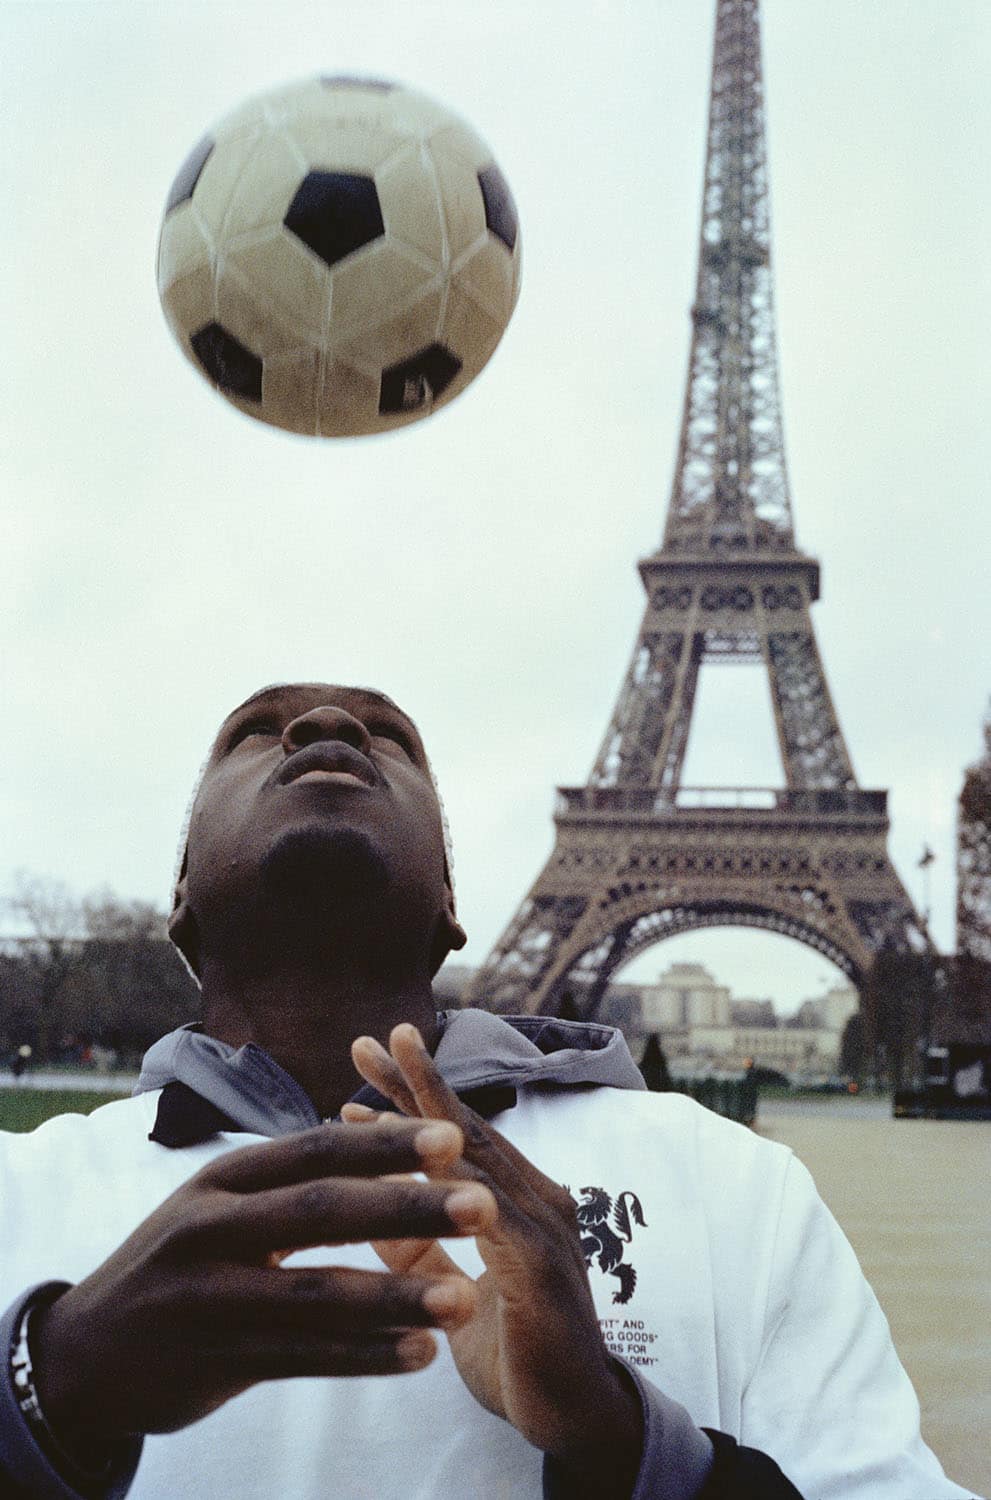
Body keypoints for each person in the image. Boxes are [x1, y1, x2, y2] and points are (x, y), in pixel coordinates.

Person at [0, 683, 976, 1500]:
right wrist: (42, 1390)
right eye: (256, 730)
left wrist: (626, 1439)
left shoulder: (736, 1184)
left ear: (450, 902)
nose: (327, 726)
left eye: (389, 737)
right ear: (178, 893)